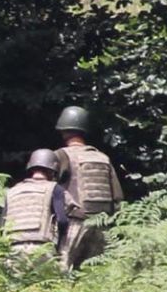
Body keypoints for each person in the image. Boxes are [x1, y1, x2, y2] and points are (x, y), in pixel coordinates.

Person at [53, 105, 124, 270]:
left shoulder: (60, 156)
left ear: (63, 130)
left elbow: (49, 190)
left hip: (74, 221)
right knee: (97, 272)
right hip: (101, 223)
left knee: (61, 270)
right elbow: (118, 197)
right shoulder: (102, 157)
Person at [2, 149, 68, 264]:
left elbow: (2, 225)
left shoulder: (12, 191)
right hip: (41, 247)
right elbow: (62, 220)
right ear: (53, 171)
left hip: (13, 249)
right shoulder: (54, 188)